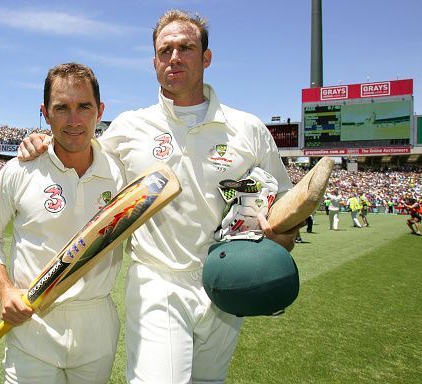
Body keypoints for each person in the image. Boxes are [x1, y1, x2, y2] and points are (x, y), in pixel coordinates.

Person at [17, 10, 298, 383]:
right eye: (165, 51)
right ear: (154, 62)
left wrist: (282, 235)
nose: (174, 58)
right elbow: (78, 148)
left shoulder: (248, 129)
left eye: (186, 48)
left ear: (206, 58)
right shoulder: (130, 127)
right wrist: (42, 141)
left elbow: (283, 202)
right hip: (157, 281)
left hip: (225, 278)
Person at [0, 63, 126, 384]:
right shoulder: (19, 169)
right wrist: (4, 291)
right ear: (45, 112)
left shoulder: (122, 172)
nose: (74, 119)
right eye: (61, 108)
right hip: (33, 327)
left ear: (100, 110)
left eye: (84, 106)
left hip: (97, 325)